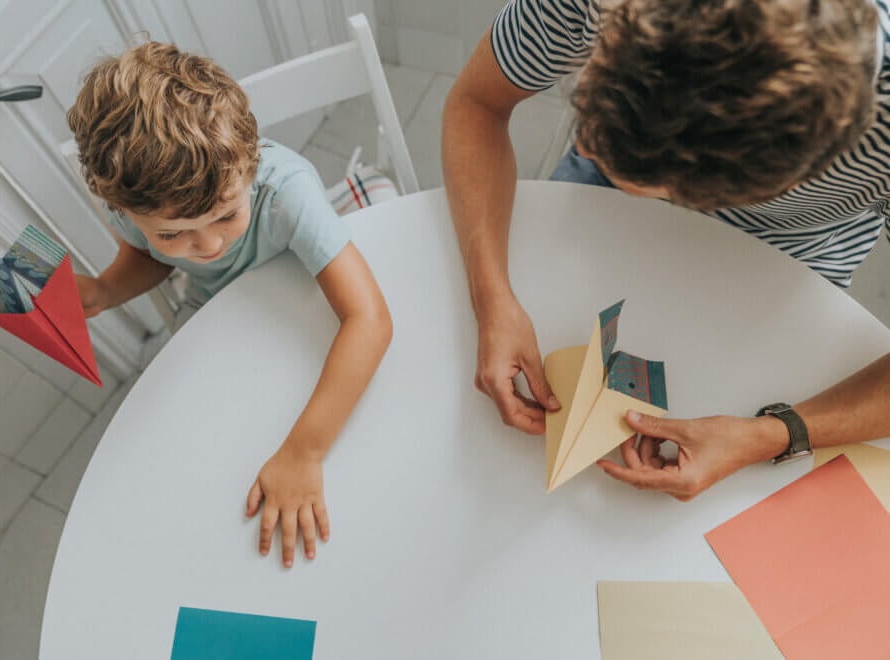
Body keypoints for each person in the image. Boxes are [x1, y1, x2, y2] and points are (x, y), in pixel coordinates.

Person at [442, 0, 890, 499]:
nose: (582, 146)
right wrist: (492, 293)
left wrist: (768, 435)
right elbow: (477, 102)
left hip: (791, 255)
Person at [67, 42, 392, 566]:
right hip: (220, 309)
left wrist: (304, 452)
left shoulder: (287, 194)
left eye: (225, 215)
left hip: (302, 286)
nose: (208, 245)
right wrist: (105, 290)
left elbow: (371, 320)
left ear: (251, 161)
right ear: (121, 208)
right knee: (203, 437)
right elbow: (150, 258)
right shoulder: (139, 209)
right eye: (175, 233)